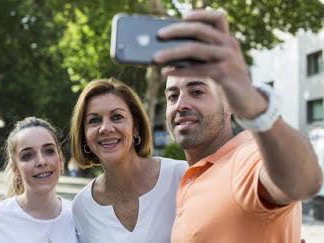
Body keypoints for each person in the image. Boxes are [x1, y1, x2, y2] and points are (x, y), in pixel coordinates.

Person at [152, 10, 323, 243]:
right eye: (172, 96)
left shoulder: (246, 158)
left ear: (230, 104)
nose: (181, 104)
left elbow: (304, 183)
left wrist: (258, 111)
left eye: (197, 92)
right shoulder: (194, 174)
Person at [70, 78, 188, 243]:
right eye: (94, 120)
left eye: (117, 117)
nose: (106, 128)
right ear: (84, 136)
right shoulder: (82, 208)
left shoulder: (182, 177)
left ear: (136, 127)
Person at [0, 117, 77, 243]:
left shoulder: (80, 219)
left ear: (61, 160)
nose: (41, 161)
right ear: (15, 169)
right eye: (27, 155)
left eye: (49, 151)